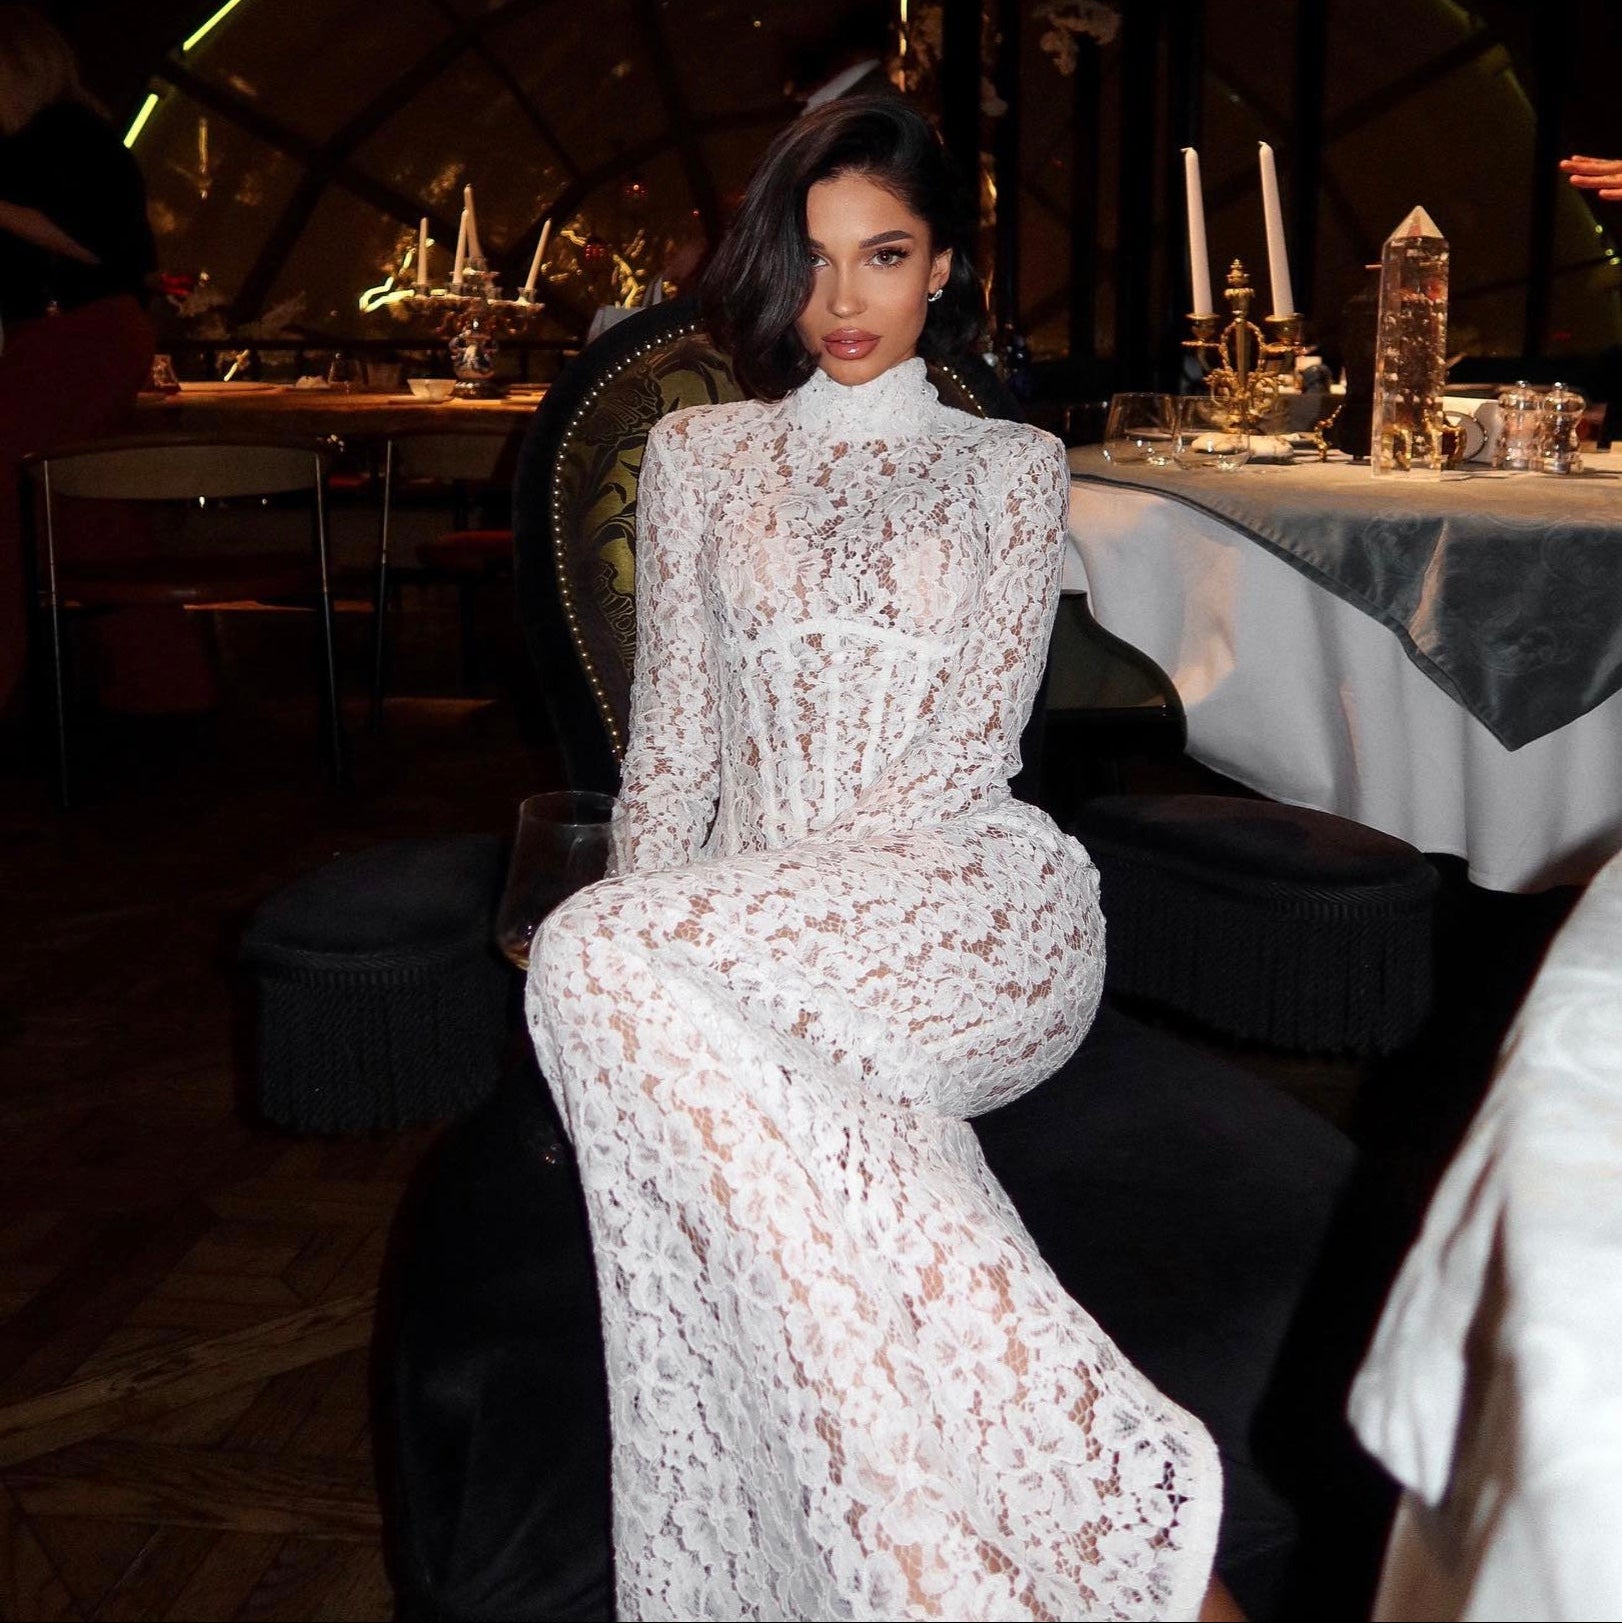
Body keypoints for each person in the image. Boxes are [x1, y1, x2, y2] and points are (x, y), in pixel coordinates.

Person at [526, 98, 1231, 1621]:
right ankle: (995, 1572)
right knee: (607, 961)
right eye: (817, 257)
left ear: (942, 269)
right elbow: (674, 757)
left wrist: (689, 959)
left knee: (595, 956)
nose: (843, 302)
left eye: (885, 255)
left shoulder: (1008, 469)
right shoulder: (701, 455)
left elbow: (958, 766)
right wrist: (663, 981)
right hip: (743, 929)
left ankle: (1072, 1535)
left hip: (966, 908)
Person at [0, 7, 211, 720]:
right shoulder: (62, 138)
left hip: (76, 334)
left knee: (15, 493)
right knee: (84, 504)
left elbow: (94, 243)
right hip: (78, 334)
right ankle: (164, 682)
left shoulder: (65, 138)